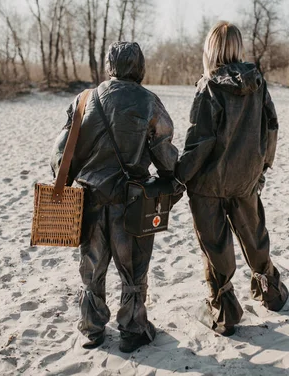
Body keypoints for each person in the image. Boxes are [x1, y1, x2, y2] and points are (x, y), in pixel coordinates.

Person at [50, 42, 178, 352]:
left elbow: (60, 155)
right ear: (140, 67)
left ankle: (93, 329)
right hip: (130, 200)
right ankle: (132, 330)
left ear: (110, 66)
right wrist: (172, 179)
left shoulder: (83, 100)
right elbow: (165, 153)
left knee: (92, 267)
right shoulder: (149, 102)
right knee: (133, 268)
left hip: (89, 200)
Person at [175, 21, 289, 336]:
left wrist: (178, 175)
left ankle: (224, 313)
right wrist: (262, 168)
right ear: (237, 48)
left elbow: (200, 143)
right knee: (254, 236)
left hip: (209, 185)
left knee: (215, 246)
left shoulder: (209, 86)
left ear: (210, 49)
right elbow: (272, 126)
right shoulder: (257, 81)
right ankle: (272, 293)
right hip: (245, 179)